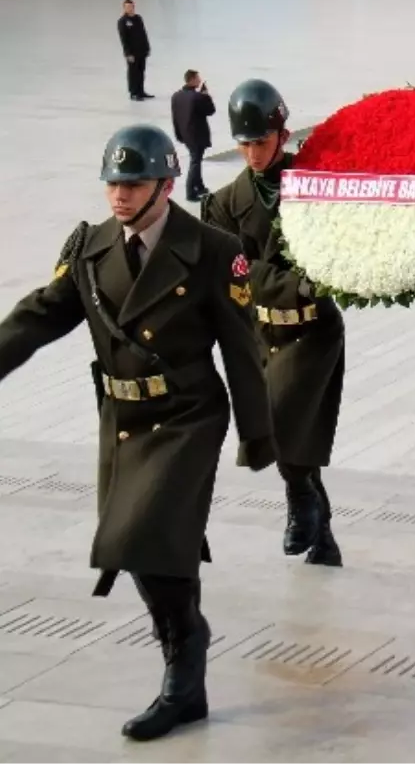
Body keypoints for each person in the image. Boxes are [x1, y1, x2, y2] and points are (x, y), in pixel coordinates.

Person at [0, 124, 273, 741]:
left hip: (185, 416)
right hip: (121, 421)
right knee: (139, 545)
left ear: (166, 185)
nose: (120, 196)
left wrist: (258, 436)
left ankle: (183, 660)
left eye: (134, 183)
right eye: (113, 183)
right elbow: (38, 315)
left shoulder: (210, 248)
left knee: (145, 530)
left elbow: (241, 347)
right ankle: (186, 651)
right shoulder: (90, 247)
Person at [201, 79, 344, 567]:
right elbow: (233, 272)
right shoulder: (221, 204)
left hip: (312, 330)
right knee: (294, 432)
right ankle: (321, 533)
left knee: (279, 419)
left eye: (260, 142)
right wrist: (293, 281)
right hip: (263, 331)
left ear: (281, 136)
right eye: (243, 144)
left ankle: (300, 499)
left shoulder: (313, 185)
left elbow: (335, 248)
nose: (252, 153)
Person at [170, 70, 216, 202]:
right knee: (195, 162)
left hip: (185, 134)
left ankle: (199, 186)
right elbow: (210, 110)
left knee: (196, 159)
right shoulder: (197, 97)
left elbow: (175, 117)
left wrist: (179, 134)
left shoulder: (176, 96)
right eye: (197, 78)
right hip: (197, 135)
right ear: (191, 80)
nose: (199, 80)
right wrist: (206, 95)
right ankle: (190, 192)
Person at [117, 0, 152, 101]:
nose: (130, 8)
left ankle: (141, 91)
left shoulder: (138, 18)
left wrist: (147, 47)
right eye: (127, 7)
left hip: (141, 50)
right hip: (132, 53)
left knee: (141, 71)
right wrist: (128, 53)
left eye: (131, 6)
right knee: (133, 73)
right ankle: (133, 93)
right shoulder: (122, 21)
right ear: (124, 8)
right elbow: (123, 39)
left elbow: (143, 33)